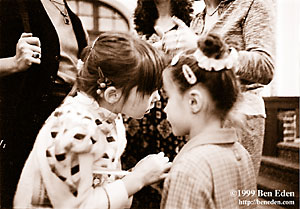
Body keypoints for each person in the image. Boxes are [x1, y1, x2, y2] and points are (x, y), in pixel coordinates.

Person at [14, 31, 172, 209]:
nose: (157, 97)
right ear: (112, 94)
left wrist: (133, 175)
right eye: (150, 89)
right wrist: (137, 178)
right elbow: (76, 206)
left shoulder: (108, 116)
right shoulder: (76, 129)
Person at [162, 0, 275, 176]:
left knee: (234, 196)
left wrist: (201, 45)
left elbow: (265, 66)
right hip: (200, 115)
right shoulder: (198, 19)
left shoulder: (252, 4)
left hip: (239, 116)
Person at [0, 0, 88, 207]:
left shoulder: (72, 17)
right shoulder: (10, 5)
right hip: (22, 129)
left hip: (63, 128)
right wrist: (14, 63)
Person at [160, 33, 257, 209]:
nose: (165, 108)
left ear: (193, 102)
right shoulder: (242, 154)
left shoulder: (189, 169)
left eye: (168, 97)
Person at [122, 1, 194, 208]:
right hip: (142, 105)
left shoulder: (187, 25)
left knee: (169, 166)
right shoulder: (141, 27)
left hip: (170, 102)